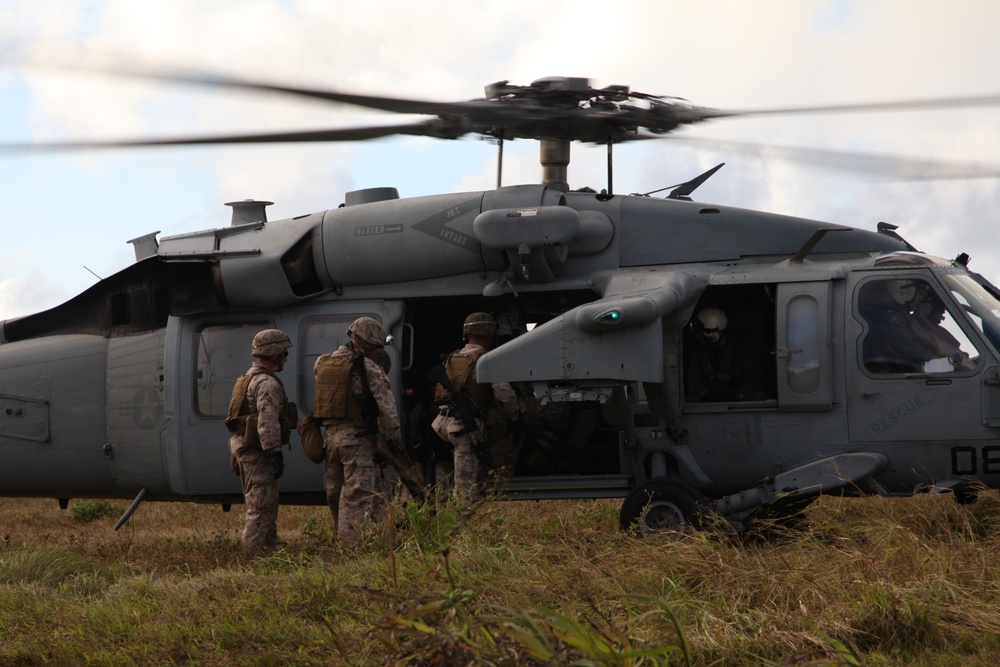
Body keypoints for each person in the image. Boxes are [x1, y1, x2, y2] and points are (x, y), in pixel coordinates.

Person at [313, 316, 400, 545]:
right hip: (357, 439)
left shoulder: (322, 362)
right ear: (369, 343)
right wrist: (391, 439)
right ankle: (351, 547)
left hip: (330, 438)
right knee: (357, 494)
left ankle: (340, 534)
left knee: (335, 491)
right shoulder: (369, 368)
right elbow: (387, 408)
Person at [431, 312, 520, 500]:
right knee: (466, 484)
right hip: (463, 427)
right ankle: (460, 522)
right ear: (488, 336)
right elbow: (505, 396)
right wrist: (515, 417)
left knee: (460, 469)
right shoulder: (486, 359)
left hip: (443, 423)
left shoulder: (453, 357)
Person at [224, 328, 295, 555]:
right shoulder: (266, 383)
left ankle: (268, 550)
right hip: (258, 453)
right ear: (273, 354)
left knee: (264, 505)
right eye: (284, 352)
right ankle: (254, 556)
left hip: (246, 449)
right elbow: (267, 421)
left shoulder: (247, 378)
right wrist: (275, 452)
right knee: (261, 507)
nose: (286, 357)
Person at [686, 307, 766, 401]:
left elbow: (754, 377)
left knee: (759, 396)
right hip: (710, 399)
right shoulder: (700, 354)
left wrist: (742, 393)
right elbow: (694, 382)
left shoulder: (742, 349)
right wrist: (704, 394)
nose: (698, 336)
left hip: (739, 397)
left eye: (700, 332)